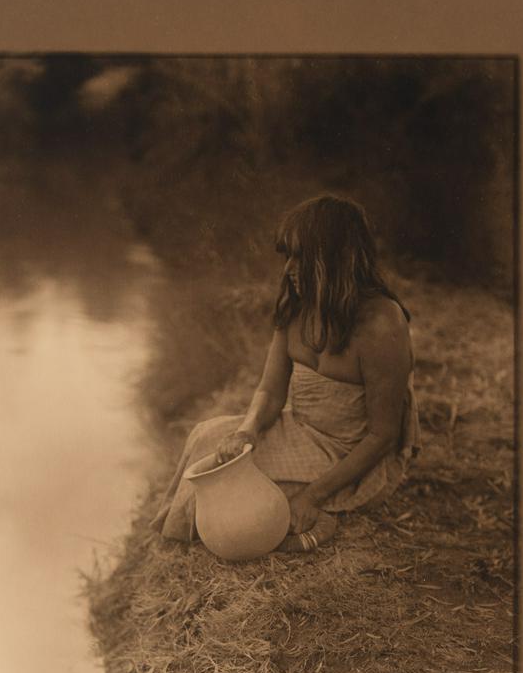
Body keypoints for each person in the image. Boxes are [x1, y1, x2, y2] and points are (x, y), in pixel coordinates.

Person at [150, 193, 420, 552]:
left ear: (333, 259)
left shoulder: (382, 323)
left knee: (231, 487)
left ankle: (301, 526)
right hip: (300, 429)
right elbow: (270, 391)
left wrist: (313, 495)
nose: (288, 269)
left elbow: (382, 435)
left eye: (300, 257)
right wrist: (248, 431)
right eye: (288, 256)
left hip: (347, 454)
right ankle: (183, 535)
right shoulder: (296, 308)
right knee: (208, 436)